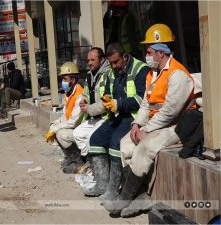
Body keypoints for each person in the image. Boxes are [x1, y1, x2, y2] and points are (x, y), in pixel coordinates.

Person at [102, 24, 196, 216]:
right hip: (155, 124)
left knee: (144, 148)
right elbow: (146, 104)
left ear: (161, 53)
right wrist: (136, 124)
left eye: (149, 51)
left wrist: (147, 129)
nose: (147, 55)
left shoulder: (177, 74)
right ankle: (139, 194)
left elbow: (170, 112)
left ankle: (127, 197)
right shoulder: (153, 74)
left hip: (176, 126)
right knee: (125, 143)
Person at [84, 42, 150, 199]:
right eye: (111, 62)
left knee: (115, 142)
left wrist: (118, 103)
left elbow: (142, 98)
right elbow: (106, 92)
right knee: (96, 139)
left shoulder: (140, 69)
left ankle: (113, 190)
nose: (113, 66)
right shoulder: (110, 73)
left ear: (125, 56)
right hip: (117, 115)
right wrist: (106, 100)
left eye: (116, 62)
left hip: (135, 116)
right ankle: (101, 185)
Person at [73, 47, 114, 169]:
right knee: (77, 134)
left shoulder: (108, 74)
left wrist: (89, 109)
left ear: (101, 60)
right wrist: (83, 101)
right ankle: (91, 162)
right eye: (88, 60)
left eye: (92, 60)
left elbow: (107, 100)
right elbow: (86, 94)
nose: (90, 63)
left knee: (92, 137)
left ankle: (99, 166)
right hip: (94, 117)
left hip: (106, 117)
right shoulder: (90, 75)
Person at [45, 62, 84, 174]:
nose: (63, 82)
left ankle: (79, 161)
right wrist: (54, 124)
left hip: (79, 128)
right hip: (73, 127)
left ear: (73, 80)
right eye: (62, 79)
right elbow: (65, 115)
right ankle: (70, 158)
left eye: (65, 79)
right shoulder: (68, 93)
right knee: (54, 127)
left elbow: (73, 122)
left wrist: (56, 128)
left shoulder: (80, 94)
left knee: (60, 133)